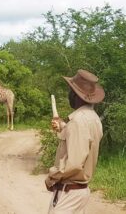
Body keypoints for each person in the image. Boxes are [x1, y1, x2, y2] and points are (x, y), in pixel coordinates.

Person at [45, 69, 105, 214]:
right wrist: (63, 126)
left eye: (71, 91)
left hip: (69, 194)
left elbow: (75, 163)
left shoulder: (78, 121)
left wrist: (52, 177)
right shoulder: (93, 118)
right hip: (80, 193)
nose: (69, 95)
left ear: (77, 96)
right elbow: (82, 141)